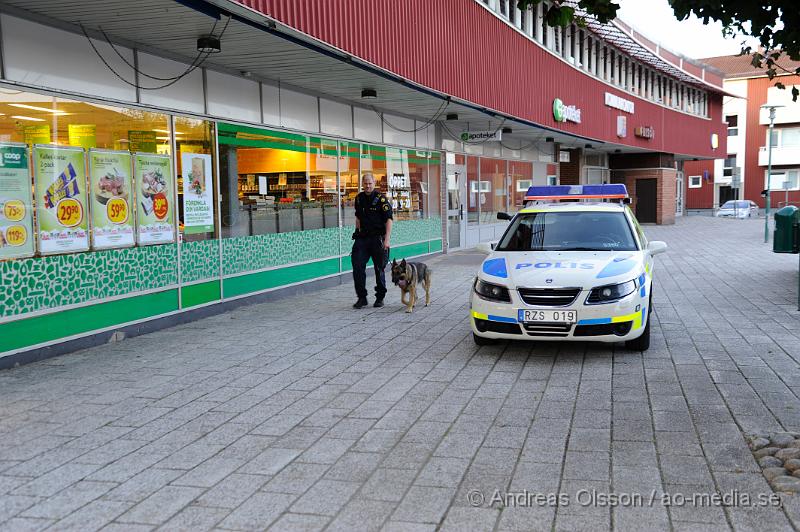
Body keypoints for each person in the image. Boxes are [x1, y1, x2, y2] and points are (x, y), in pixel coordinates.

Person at [352, 172, 392, 308]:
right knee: (357, 266)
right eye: (365, 183)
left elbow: (389, 220)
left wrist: (387, 240)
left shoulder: (381, 199)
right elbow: (358, 217)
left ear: (374, 183)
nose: (368, 186)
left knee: (379, 268)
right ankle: (361, 297)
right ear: (362, 184)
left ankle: (380, 297)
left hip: (377, 239)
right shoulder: (358, 199)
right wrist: (356, 232)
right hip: (362, 238)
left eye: (370, 183)